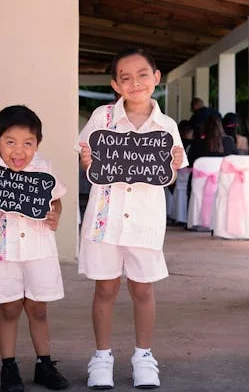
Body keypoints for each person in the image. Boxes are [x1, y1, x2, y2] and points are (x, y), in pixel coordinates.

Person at [76, 47, 187, 389]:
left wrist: (172, 166)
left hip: (144, 222)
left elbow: (167, 176)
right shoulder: (102, 118)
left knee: (143, 288)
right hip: (105, 220)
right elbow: (90, 163)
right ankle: (102, 357)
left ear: (156, 78)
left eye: (142, 75)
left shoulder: (166, 126)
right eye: (125, 77)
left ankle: (144, 357)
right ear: (115, 84)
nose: (135, 82)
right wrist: (86, 163)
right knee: (105, 288)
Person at [0, 105, 70, 392]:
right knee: (9, 308)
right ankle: (9, 367)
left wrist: (56, 214)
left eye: (28, 143)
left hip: (39, 250)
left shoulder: (43, 168)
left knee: (38, 309)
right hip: (5, 252)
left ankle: (44, 365)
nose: (19, 151)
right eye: (10, 142)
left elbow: (56, 199)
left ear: (38, 144)